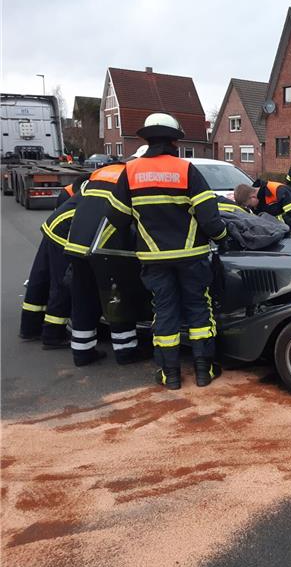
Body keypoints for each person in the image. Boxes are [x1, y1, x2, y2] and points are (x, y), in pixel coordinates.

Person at [106, 113, 229, 390]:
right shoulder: (186, 170)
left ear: (147, 140)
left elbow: (116, 217)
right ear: (174, 141)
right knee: (198, 309)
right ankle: (204, 371)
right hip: (192, 256)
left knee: (164, 312)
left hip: (154, 259)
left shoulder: (131, 171)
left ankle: (170, 375)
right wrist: (223, 237)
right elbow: (210, 218)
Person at [64, 151, 145, 367]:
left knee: (84, 298)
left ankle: (82, 353)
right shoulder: (131, 176)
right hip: (104, 245)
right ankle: (126, 351)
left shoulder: (101, 173)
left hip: (76, 242)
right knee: (117, 297)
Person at [19, 188, 81, 348]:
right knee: (62, 284)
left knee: (41, 277)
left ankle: (30, 328)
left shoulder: (94, 181)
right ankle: (53, 335)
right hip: (63, 233)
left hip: (54, 226)